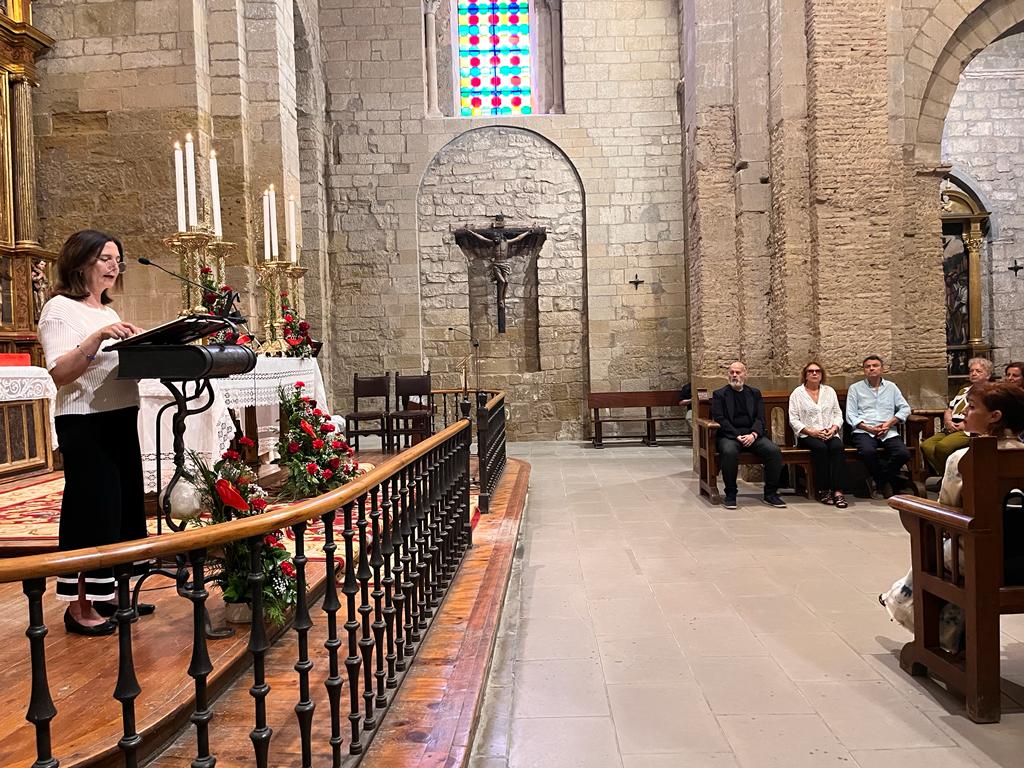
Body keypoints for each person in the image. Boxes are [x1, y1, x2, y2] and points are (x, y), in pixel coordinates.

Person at [38, 230, 150, 636]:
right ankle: (79, 605)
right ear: (81, 261)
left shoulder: (105, 310)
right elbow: (61, 372)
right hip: (85, 421)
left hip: (119, 415)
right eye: (106, 257)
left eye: (117, 258)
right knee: (89, 511)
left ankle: (112, 592)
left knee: (119, 509)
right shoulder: (60, 310)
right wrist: (98, 338)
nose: (115, 265)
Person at [880, 382, 1024, 649]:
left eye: (971, 407)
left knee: (937, 551)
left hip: (981, 558)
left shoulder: (965, 458)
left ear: (995, 416)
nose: (964, 413)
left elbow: (945, 512)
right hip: (1019, 557)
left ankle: (928, 625)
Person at [711, 361, 785, 509]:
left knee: (774, 451)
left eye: (738, 372)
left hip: (753, 435)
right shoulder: (719, 394)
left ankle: (770, 494)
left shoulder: (754, 393)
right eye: (732, 372)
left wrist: (754, 434)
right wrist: (736, 435)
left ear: (745, 375)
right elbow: (720, 419)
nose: (734, 375)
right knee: (729, 452)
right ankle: (731, 494)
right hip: (730, 435)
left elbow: (760, 418)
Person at [845, 355, 912, 499]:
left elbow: (905, 409)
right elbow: (850, 414)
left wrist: (890, 422)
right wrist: (867, 427)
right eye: (868, 366)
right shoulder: (855, 388)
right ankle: (890, 481)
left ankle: (878, 481)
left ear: (882, 368)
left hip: (887, 430)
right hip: (864, 430)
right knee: (868, 452)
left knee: (903, 454)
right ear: (864, 370)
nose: (871, 369)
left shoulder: (891, 387)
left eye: (875, 365)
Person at [788, 362, 848, 508]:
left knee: (837, 447)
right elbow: (793, 419)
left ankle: (838, 491)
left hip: (829, 433)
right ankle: (824, 489)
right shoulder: (798, 393)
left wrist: (834, 428)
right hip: (807, 435)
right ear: (805, 375)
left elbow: (838, 413)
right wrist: (811, 431)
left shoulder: (829, 391)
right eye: (810, 371)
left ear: (822, 374)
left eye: (817, 371)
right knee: (820, 449)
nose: (814, 374)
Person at [920, 357, 993, 476]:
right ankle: (947, 475)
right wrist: (948, 420)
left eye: (978, 371)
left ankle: (952, 476)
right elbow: (950, 409)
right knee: (926, 445)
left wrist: (965, 424)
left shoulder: (989, 392)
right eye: (971, 371)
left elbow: (983, 414)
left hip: (968, 429)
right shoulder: (963, 390)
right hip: (951, 426)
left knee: (942, 447)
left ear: (988, 375)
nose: (973, 373)